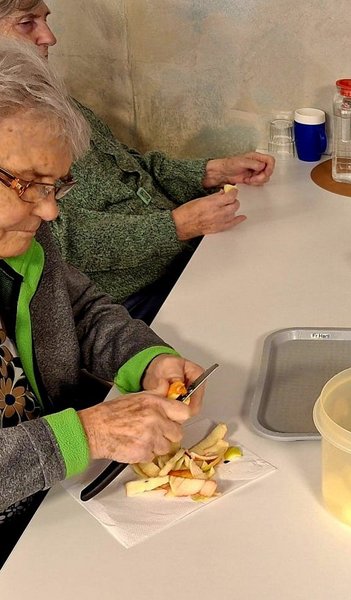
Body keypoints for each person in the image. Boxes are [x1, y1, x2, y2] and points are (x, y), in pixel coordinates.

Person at [0, 38, 208, 566]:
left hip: (55, 501)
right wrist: (89, 432)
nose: (50, 211)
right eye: (29, 184)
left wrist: (145, 359)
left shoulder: (23, 234)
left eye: (56, 186)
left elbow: (78, 309)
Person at [0, 0, 276, 324]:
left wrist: (210, 171)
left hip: (180, 259)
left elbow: (131, 168)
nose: (49, 37)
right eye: (27, 23)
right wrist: (175, 226)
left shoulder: (49, 102)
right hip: (130, 300)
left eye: (45, 20)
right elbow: (57, 239)